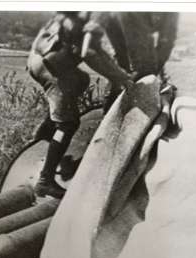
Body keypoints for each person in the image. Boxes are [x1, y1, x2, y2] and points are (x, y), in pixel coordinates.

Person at [28, 11, 134, 198]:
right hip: (52, 68)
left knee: (80, 80)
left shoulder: (79, 11)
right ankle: (45, 181)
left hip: (39, 61)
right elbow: (89, 52)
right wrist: (120, 77)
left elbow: (93, 48)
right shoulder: (99, 13)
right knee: (69, 124)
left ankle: (47, 130)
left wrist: (117, 71)